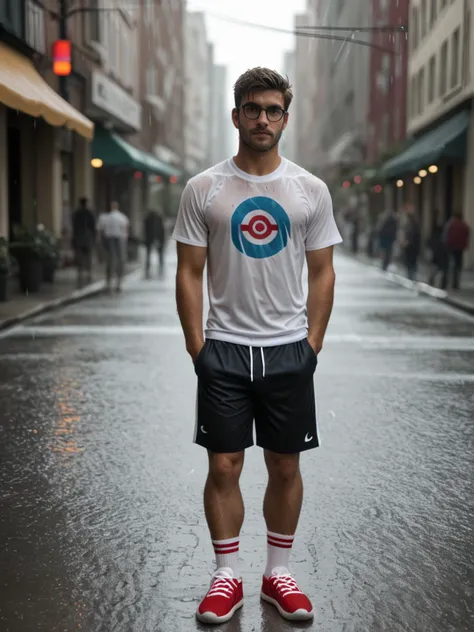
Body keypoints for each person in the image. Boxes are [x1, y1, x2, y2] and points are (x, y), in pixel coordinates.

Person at [173, 67, 343, 624]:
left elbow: (322, 272)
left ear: (285, 119)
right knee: (223, 466)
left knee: (285, 466)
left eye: (272, 110)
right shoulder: (205, 189)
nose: (262, 119)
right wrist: (199, 348)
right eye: (253, 109)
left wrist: (311, 345)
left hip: (288, 348)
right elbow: (188, 272)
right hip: (223, 349)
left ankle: (278, 573)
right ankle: (226, 577)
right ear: (236, 116)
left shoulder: (308, 190)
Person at [97, 201, 129, 293]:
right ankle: (117, 282)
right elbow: (125, 230)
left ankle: (110, 282)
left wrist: (100, 240)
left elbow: (100, 230)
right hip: (118, 239)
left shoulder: (105, 217)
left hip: (111, 239)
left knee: (111, 260)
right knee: (119, 260)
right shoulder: (122, 217)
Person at [442, 211, 470, 289]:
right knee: (458, 266)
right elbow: (467, 235)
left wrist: (445, 245)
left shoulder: (451, 224)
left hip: (450, 248)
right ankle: (456, 283)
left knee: (449, 266)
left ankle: (447, 283)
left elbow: (445, 236)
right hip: (460, 248)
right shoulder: (464, 226)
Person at [71, 197, 96, 288]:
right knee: (88, 256)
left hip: (78, 237)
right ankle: (89, 273)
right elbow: (93, 226)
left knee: (80, 256)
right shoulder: (89, 213)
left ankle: (80, 273)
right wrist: (94, 237)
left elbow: (74, 226)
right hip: (87, 237)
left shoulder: (76, 213)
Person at [400, 203, 421, 281]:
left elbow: (413, 236)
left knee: (411, 261)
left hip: (411, 246)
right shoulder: (411, 225)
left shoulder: (411, 225)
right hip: (412, 247)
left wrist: (407, 242)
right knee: (411, 262)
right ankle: (411, 275)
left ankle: (411, 275)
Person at [143, 208, 166, 278]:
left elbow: (145, 230)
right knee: (159, 255)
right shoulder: (159, 219)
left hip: (150, 239)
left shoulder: (147, 219)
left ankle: (148, 269)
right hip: (158, 239)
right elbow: (161, 230)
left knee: (149, 255)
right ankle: (160, 268)